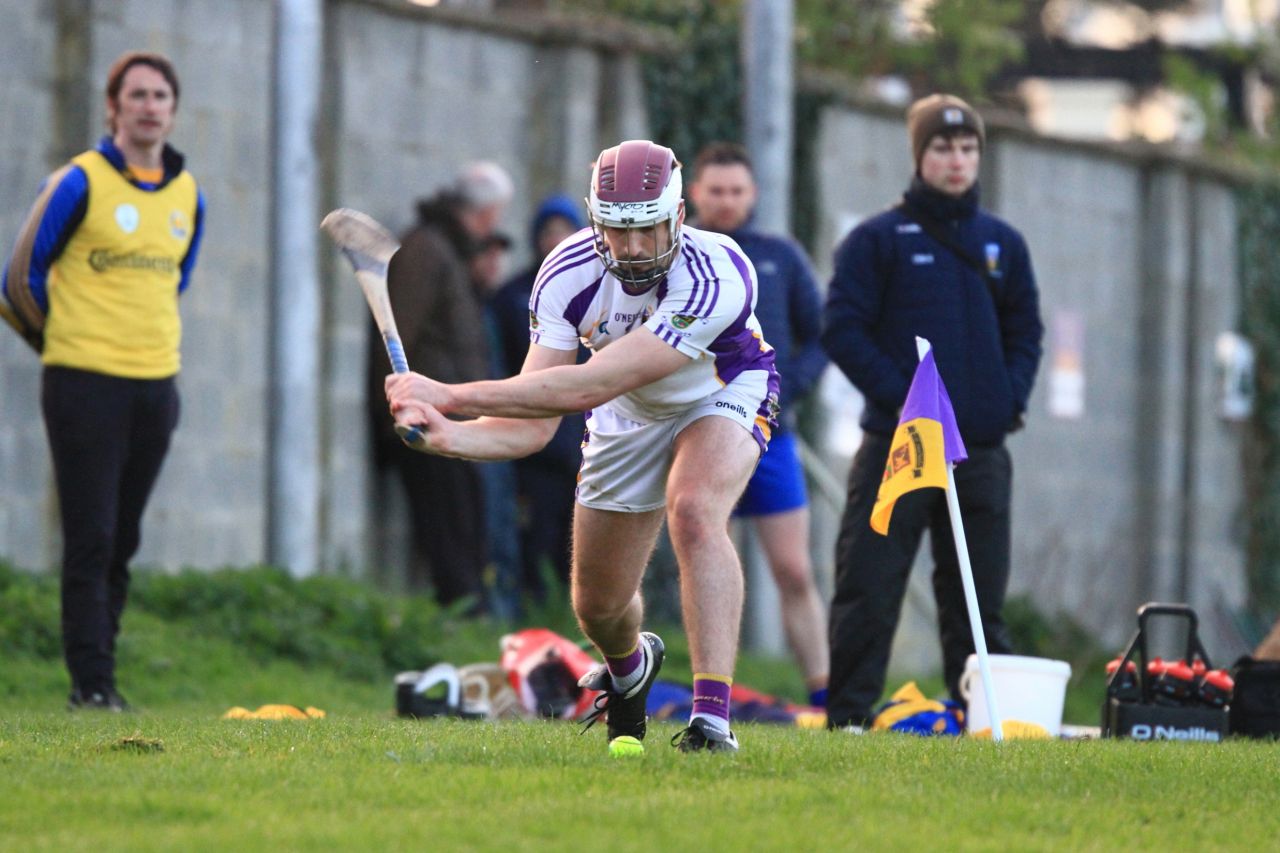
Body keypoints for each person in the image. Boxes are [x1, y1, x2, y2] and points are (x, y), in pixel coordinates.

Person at [385, 139, 779, 753]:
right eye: (617, 232)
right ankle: (629, 668)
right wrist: (447, 435)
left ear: (677, 217)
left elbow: (594, 382)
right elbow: (537, 415)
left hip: (722, 389)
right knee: (597, 606)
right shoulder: (567, 271)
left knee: (695, 509)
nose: (633, 248)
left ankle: (711, 721)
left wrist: (450, 394)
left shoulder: (716, 271)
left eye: (648, 229)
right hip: (627, 410)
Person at [820, 95, 1043, 731]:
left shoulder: (1003, 244)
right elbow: (843, 330)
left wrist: (1009, 399)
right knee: (869, 586)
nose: (957, 160)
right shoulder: (877, 240)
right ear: (919, 156)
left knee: (976, 600)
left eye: (968, 148)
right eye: (943, 148)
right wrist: (907, 401)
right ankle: (849, 721)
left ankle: (983, 719)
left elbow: (1026, 331)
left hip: (980, 450)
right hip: (899, 446)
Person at [1, 51, 206, 711]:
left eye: (160, 96)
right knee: (89, 535)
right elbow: (16, 284)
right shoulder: (77, 182)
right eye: (136, 95)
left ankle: (103, 672)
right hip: (83, 382)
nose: (149, 106)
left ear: (174, 111)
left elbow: (176, 283)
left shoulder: (188, 195)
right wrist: (59, 344)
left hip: (155, 386)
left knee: (124, 535)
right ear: (113, 107)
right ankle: (91, 685)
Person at [688, 142, 830, 708]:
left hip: (772, 436)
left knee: (794, 571)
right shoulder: (679, 253)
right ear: (695, 194)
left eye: (736, 191)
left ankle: (827, 702)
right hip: (693, 432)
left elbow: (822, 335)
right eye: (715, 191)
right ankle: (703, 694)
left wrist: (784, 387)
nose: (726, 201)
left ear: (753, 194)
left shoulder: (782, 257)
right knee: (699, 550)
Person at [366, 161, 513, 612]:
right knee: (449, 535)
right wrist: (395, 415)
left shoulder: (449, 250)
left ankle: (470, 620)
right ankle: (463, 622)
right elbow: (395, 340)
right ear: (487, 214)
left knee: (467, 531)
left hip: (456, 423)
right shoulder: (427, 250)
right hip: (426, 422)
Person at [490, 195, 588, 604]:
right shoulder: (513, 296)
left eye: (564, 232)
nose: (556, 240)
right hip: (534, 444)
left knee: (580, 538)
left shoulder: (596, 295)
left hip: (584, 438)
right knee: (535, 533)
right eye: (548, 232)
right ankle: (532, 608)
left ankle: (577, 613)